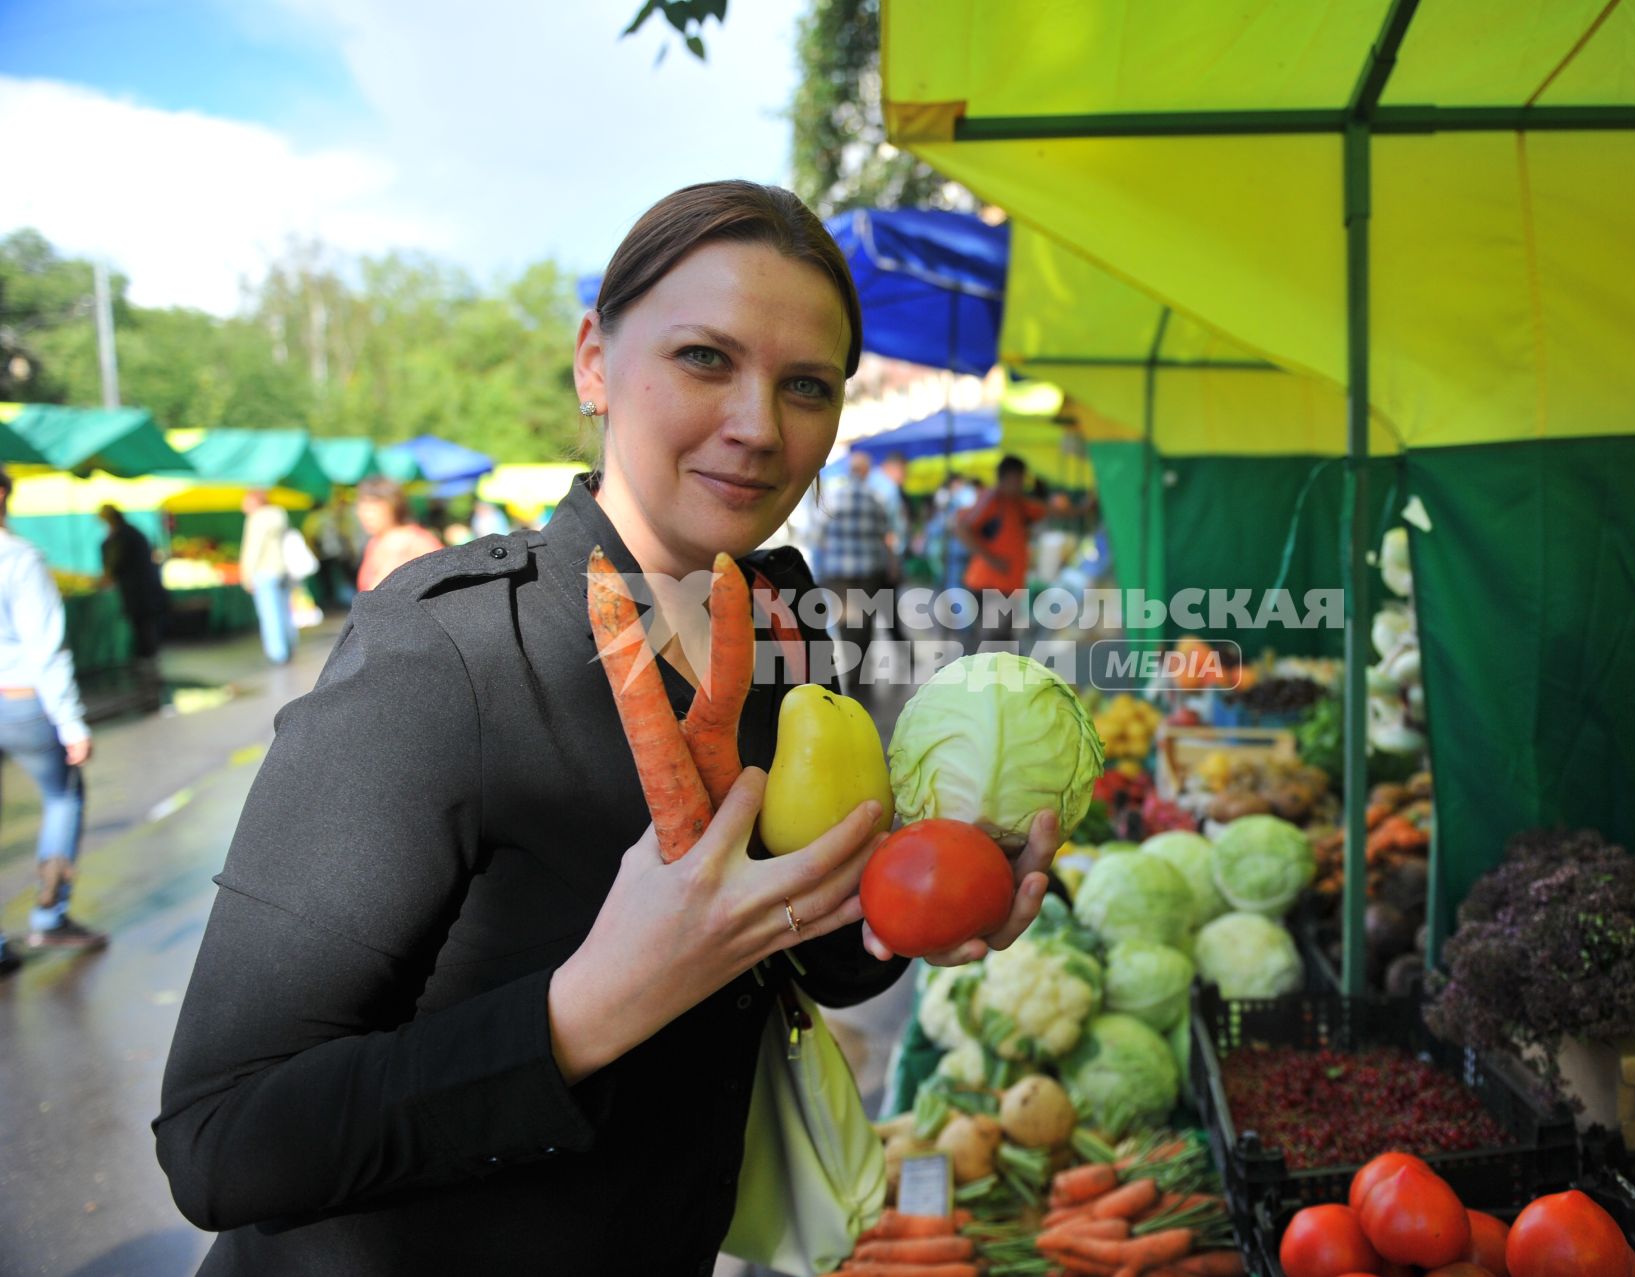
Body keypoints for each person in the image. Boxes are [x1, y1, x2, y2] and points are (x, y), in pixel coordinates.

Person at [152, 180, 1059, 1275]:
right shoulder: (450, 657)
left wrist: (917, 911)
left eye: (807, 385)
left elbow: (793, 949)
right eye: (705, 358)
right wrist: (583, 1011)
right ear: (594, 361)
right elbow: (220, 1138)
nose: (758, 426)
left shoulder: (784, 625)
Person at [0, 467, 106, 975]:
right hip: (21, 701)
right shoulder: (18, 559)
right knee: (63, 797)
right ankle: (49, 914)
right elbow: (46, 649)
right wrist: (72, 724)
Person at [813, 449, 896, 676]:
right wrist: (893, 565)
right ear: (867, 472)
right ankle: (861, 674)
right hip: (870, 572)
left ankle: (852, 670)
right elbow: (886, 536)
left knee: (844, 623)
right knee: (865, 624)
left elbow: (818, 537)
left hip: (838, 573)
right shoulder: (876, 499)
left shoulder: (831, 497)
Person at [958, 454, 1051, 650]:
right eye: (1020, 478)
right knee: (992, 644)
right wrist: (992, 560)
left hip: (1007, 586)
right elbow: (961, 527)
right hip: (991, 585)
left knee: (1001, 642)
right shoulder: (993, 499)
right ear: (1009, 476)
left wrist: (1082, 509)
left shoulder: (1016, 503)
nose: (1022, 484)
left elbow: (1046, 510)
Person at [96, 503, 168, 664]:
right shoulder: (131, 532)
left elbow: (115, 562)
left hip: (137, 588)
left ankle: (146, 657)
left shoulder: (123, 536)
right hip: (142, 586)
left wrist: (106, 577)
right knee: (144, 623)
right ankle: (148, 656)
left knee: (142, 622)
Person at [353, 477, 443, 591]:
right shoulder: (375, 542)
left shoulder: (417, 540)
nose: (366, 516)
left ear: (393, 507)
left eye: (372, 509)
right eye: (362, 509)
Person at [238, 491, 297, 665]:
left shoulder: (257, 519)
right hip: (282, 569)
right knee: (284, 611)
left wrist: (247, 575)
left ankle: (277, 652)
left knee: (269, 614)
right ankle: (289, 646)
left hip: (264, 571)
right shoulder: (279, 515)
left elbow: (253, 549)